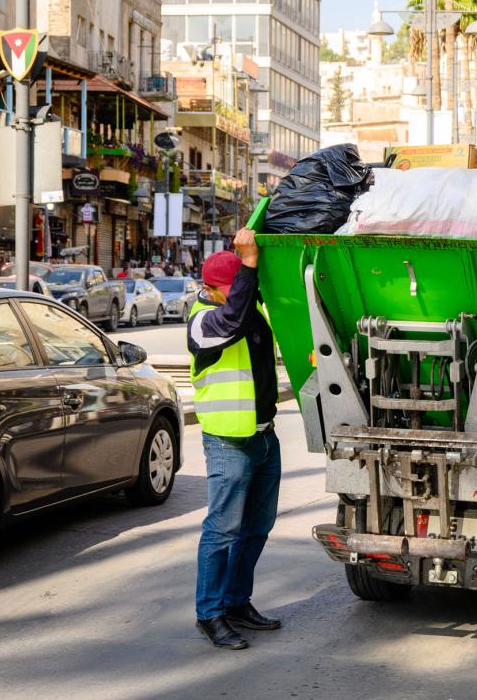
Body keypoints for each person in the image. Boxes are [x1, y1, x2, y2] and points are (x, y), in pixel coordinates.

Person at [189, 229, 282, 650]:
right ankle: (209, 614)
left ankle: (236, 601)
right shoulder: (203, 322)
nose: (239, 294)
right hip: (229, 442)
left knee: (257, 528)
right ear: (209, 289)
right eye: (232, 288)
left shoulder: (249, 309)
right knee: (223, 530)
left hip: (264, 438)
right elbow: (232, 318)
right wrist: (246, 267)